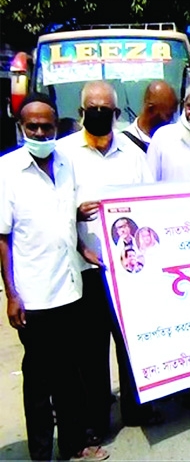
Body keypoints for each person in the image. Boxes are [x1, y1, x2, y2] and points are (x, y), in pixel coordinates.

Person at [0, 93, 109, 462]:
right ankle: (42, 453)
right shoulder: (7, 171)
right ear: (21, 127)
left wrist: (82, 247)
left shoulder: (65, 162)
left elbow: (65, 217)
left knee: (70, 375)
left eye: (47, 126)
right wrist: (11, 294)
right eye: (33, 126)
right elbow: (2, 238)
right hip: (34, 294)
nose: (41, 132)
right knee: (39, 378)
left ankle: (75, 446)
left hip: (70, 288)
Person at [58, 80, 157, 440]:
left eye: (106, 110)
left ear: (116, 114)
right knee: (90, 349)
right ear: (82, 111)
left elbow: (149, 201)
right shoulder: (62, 152)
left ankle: (136, 407)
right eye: (92, 108)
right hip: (84, 268)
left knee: (131, 341)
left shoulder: (133, 154)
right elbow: (53, 206)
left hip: (127, 268)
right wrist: (74, 213)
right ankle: (97, 418)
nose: (99, 114)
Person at [122, 80, 178, 152]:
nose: (171, 120)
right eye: (168, 115)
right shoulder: (125, 145)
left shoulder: (175, 141)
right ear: (150, 110)